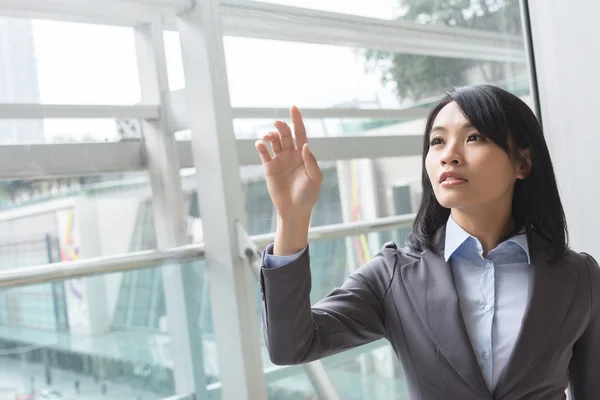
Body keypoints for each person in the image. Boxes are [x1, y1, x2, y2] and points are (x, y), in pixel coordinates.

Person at [254, 84, 600, 399]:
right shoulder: (393, 276)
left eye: (474, 137)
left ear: (522, 162)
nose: (449, 154)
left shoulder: (579, 278)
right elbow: (290, 346)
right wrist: (292, 218)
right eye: (437, 141)